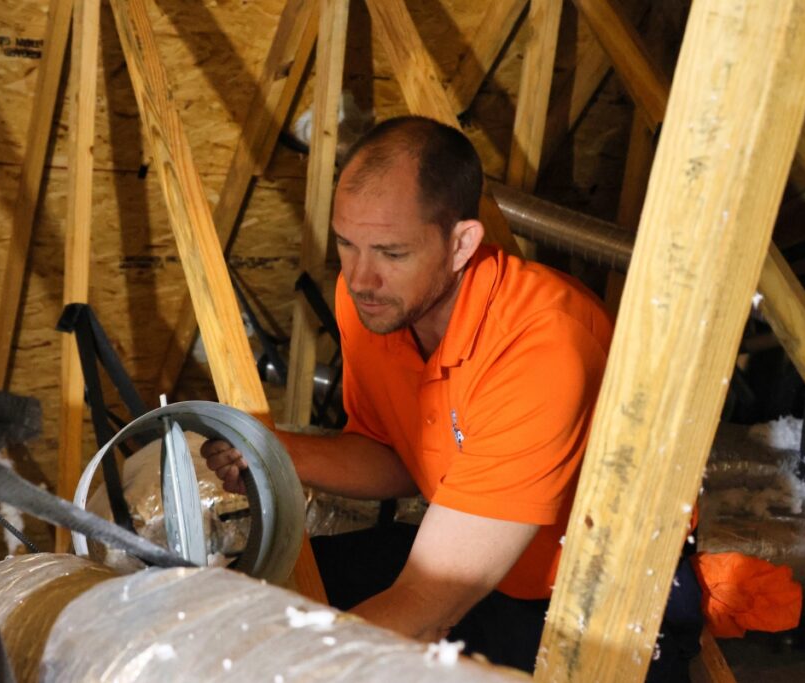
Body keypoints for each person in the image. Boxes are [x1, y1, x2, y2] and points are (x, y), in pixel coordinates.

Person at [202, 116, 702, 678]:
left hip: (594, 604)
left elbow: (425, 606)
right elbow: (396, 455)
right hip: (484, 569)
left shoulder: (543, 347)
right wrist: (277, 453)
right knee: (253, 595)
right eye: (347, 245)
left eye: (392, 254)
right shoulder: (376, 305)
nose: (362, 278)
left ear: (462, 243)